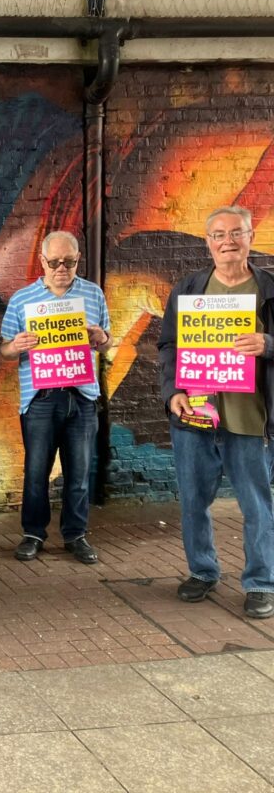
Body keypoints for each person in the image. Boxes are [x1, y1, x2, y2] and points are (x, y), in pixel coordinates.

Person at [158, 206, 274, 620]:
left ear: (250, 236)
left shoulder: (269, 289)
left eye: (236, 233)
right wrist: (172, 391)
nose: (228, 241)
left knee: (257, 505)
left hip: (249, 419)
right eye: (219, 234)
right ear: (207, 242)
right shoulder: (189, 290)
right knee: (193, 501)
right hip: (194, 419)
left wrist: (268, 345)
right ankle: (203, 571)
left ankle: (261, 583)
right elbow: (169, 347)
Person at [0, 231, 111, 564]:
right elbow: (5, 348)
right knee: (36, 472)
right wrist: (15, 346)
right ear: (42, 261)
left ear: (78, 259)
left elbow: (106, 343)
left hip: (82, 396)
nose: (61, 268)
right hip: (40, 397)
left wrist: (100, 336)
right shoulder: (22, 299)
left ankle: (75, 535)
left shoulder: (93, 294)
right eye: (54, 262)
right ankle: (33, 533)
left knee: (79, 473)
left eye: (69, 261)